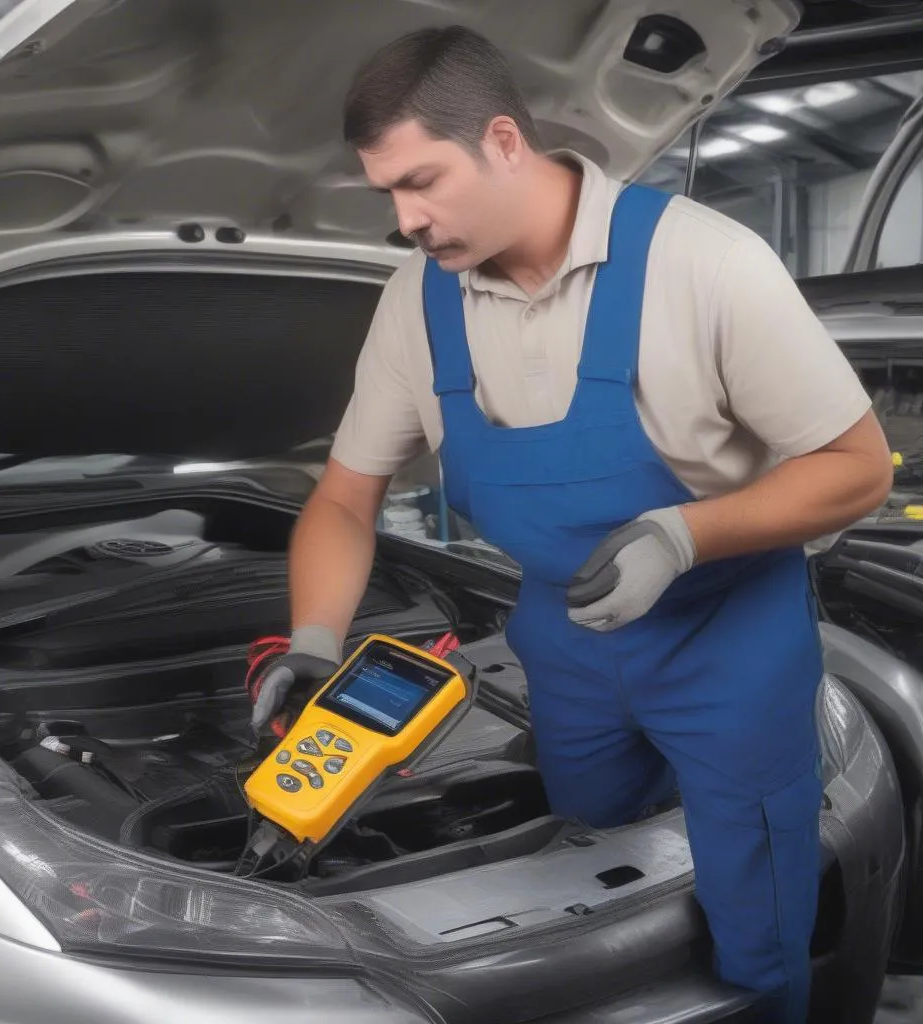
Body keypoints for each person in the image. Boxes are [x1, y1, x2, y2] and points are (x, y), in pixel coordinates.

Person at [249, 25, 893, 1023]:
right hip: (563, 636)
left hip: (727, 635)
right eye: (389, 195)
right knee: (584, 853)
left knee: (756, 912)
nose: (407, 220)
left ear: (504, 140)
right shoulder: (416, 302)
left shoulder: (705, 264)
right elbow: (343, 496)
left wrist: (682, 536)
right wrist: (315, 639)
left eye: (423, 181)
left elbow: (855, 470)